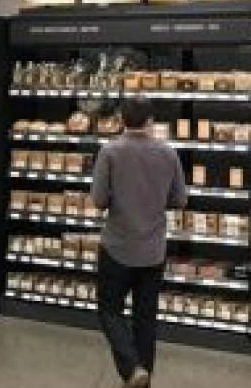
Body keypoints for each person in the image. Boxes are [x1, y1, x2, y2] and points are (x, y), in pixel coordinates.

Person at [91, 97, 188, 388]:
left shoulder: (110, 151)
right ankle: (142, 376)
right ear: (151, 121)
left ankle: (131, 368)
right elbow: (180, 199)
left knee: (109, 310)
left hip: (117, 248)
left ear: (121, 119)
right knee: (145, 318)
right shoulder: (168, 153)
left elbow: (98, 200)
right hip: (153, 251)